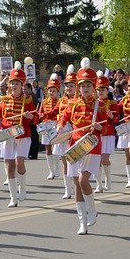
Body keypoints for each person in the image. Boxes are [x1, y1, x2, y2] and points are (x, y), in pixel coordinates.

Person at [59, 57, 107, 235]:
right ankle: (82, 221)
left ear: (94, 87)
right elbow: (64, 119)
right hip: (75, 146)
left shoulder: (99, 105)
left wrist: (100, 127)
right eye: (82, 86)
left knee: (82, 180)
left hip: (92, 147)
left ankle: (92, 210)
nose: (85, 89)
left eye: (88, 86)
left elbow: (107, 127)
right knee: (76, 184)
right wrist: (59, 128)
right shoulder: (72, 104)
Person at [0, 61, 37, 207]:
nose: (13, 86)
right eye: (12, 83)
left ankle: (22, 187)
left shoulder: (28, 100)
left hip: (22, 135)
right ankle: (13, 197)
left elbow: (36, 118)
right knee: (10, 165)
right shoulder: (4, 100)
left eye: (17, 83)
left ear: (22, 85)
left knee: (19, 163)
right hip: (7, 135)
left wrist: (31, 117)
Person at [55, 64, 77, 199]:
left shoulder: (80, 101)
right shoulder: (61, 100)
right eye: (67, 85)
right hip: (63, 134)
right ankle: (68, 189)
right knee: (64, 162)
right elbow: (55, 114)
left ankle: (77, 186)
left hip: (75, 135)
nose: (68, 88)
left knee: (74, 162)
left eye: (71, 86)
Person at [95, 71, 117, 192]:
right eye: (99, 90)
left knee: (104, 159)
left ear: (107, 90)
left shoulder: (113, 103)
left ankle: (108, 180)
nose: (101, 92)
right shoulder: (94, 104)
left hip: (108, 134)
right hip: (97, 134)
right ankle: (99, 184)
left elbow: (117, 118)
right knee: (96, 160)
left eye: (103, 89)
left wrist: (111, 116)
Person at [40, 74, 62, 180]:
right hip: (46, 125)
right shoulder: (44, 102)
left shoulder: (60, 102)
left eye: (54, 91)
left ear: (57, 92)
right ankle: (51, 171)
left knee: (55, 148)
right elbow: (40, 114)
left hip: (55, 125)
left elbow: (55, 113)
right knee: (47, 148)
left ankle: (57, 170)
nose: (51, 93)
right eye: (50, 90)